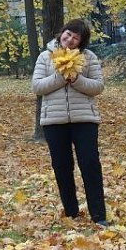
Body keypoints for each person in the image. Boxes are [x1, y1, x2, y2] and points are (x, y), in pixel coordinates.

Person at [31, 19, 108, 226]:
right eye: (68, 34)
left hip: (84, 119)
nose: (70, 39)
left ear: (81, 41)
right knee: (62, 167)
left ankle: (99, 216)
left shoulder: (89, 57)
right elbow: (37, 86)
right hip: (54, 121)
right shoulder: (45, 56)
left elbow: (98, 86)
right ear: (62, 32)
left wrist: (76, 80)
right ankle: (72, 213)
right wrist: (60, 77)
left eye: (76, 37)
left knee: (90, 165)